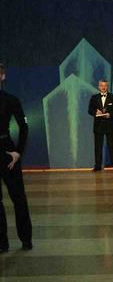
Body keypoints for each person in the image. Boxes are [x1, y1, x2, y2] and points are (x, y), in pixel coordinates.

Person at [0, 63, 32, 253]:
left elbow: (24, 126)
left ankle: (26, 239)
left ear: (2, 76)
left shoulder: (10, 99)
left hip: (7, 151)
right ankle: (2, 243)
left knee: (18, 198)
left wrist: (18, 151)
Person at [87, 79, 113, 171]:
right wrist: (95, 112)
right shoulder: (94, 97)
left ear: (107, 87)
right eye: (101, 85)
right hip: (98, 125)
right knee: (98, 147)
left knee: (112, 146)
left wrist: (110, 114)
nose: (103, 87)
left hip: (110, 125)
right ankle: (98, 166)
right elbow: (90, 110)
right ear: (99, 87)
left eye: (105, 85)